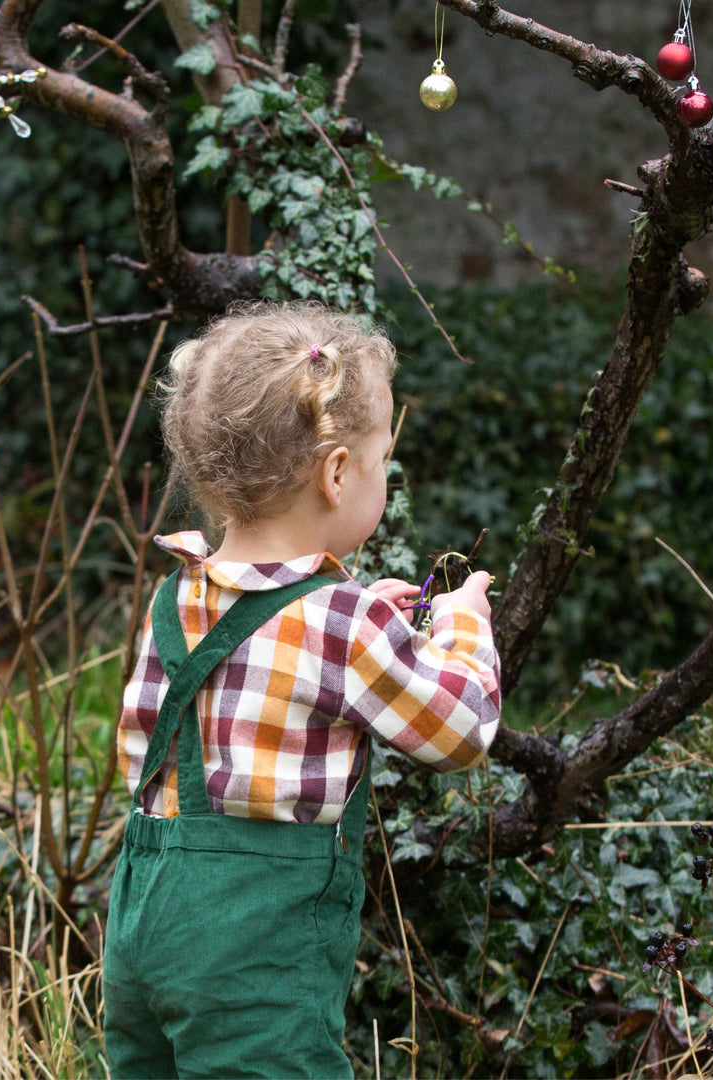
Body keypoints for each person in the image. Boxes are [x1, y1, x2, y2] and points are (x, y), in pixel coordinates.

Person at [102, 301, 501, 1079]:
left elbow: (148, 745)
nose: (384, 473)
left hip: (144, 926)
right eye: (385, 457)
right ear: (338, 472)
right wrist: (461, 628)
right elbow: (462, 731)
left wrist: (367, 626)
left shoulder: (178, 596)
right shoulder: (341, 627)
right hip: (253, 951)